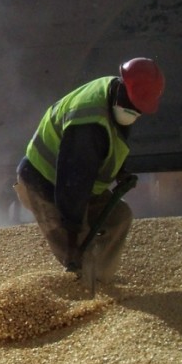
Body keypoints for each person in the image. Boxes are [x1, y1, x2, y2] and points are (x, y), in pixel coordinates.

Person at [14, 57, 165, 283]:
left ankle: (102, 281)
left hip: (78, 184)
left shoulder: (116, 97)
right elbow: (71, 188)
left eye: (139, 109)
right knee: (78, 251)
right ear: (124, 88)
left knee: (119, 217)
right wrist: (73, 241)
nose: (135, 113)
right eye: (133, 106)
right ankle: (77, 299)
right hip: (44, 183)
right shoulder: (87, 125)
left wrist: (120, 172)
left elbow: (112, 142)